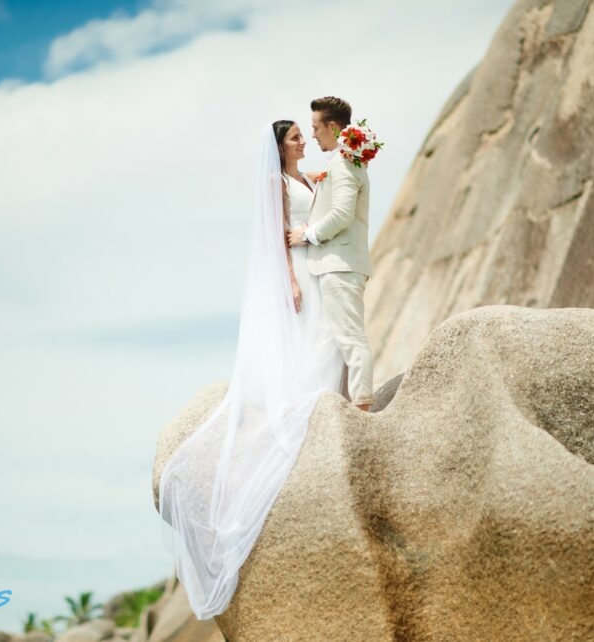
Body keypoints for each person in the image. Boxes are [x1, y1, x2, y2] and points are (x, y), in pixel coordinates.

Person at [157, 121, 344, 620]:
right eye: (295, 138)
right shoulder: (276, 183)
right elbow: (275, 240)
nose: (303, 141)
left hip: (320, 265)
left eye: (306, 135)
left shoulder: (309, 179)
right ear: (278, 147)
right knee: (313, 341)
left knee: (330, 342)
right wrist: (290, 282)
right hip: (299, 271)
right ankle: (307, 415)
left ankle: (329, 410)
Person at [287, 96, 375, 412]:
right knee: (343, 340)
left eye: (315, 128)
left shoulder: (344, 162)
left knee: (350, 339)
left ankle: (363, 408)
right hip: (340, 263)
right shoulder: (344, 161)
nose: (312, 135)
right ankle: (356, 404)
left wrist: (306, 235)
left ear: (333, 127)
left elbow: (341, 214)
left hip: (339, 264)